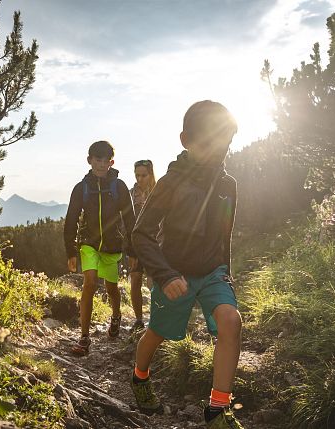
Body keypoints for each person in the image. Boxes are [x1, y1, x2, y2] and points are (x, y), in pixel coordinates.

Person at [130, 101, 244, 428]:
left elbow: (226, 236)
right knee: (157, 334)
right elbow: (141, 234)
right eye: (208, 143)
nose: (218, 151)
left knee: (230, 322)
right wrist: (165, 275)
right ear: (185, 141)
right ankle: (140, 378)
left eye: (225, 143)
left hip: (213, 273)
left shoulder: (228, 185)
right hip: (174, 273)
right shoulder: (170, 183)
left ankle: (217, 410)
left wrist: (227, 274)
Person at [64, 140, 138, 356]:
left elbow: (131, 219)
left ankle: (116, 316)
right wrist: (71, 251)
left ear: (111, 162)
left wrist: (132, 250)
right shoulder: (81, 188)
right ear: (90, 160)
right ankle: (84, 338)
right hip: (88, 244)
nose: (102, 164)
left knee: (112, 288)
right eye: (98, 160)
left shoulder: (119, 187)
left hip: (113, 246)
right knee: (89, 283)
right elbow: (71, 220)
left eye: (106, 160)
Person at [129, 159, 157, 333]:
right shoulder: (130, 194)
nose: (140, 179)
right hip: (135, 244)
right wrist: (129, 249)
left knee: (153, 282)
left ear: (151, 174)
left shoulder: (159, 191)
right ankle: (138, 320)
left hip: (156, 243)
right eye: (137, 175)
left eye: (143, 175)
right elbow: (125, 223)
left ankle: (156, 320)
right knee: (135, 281)